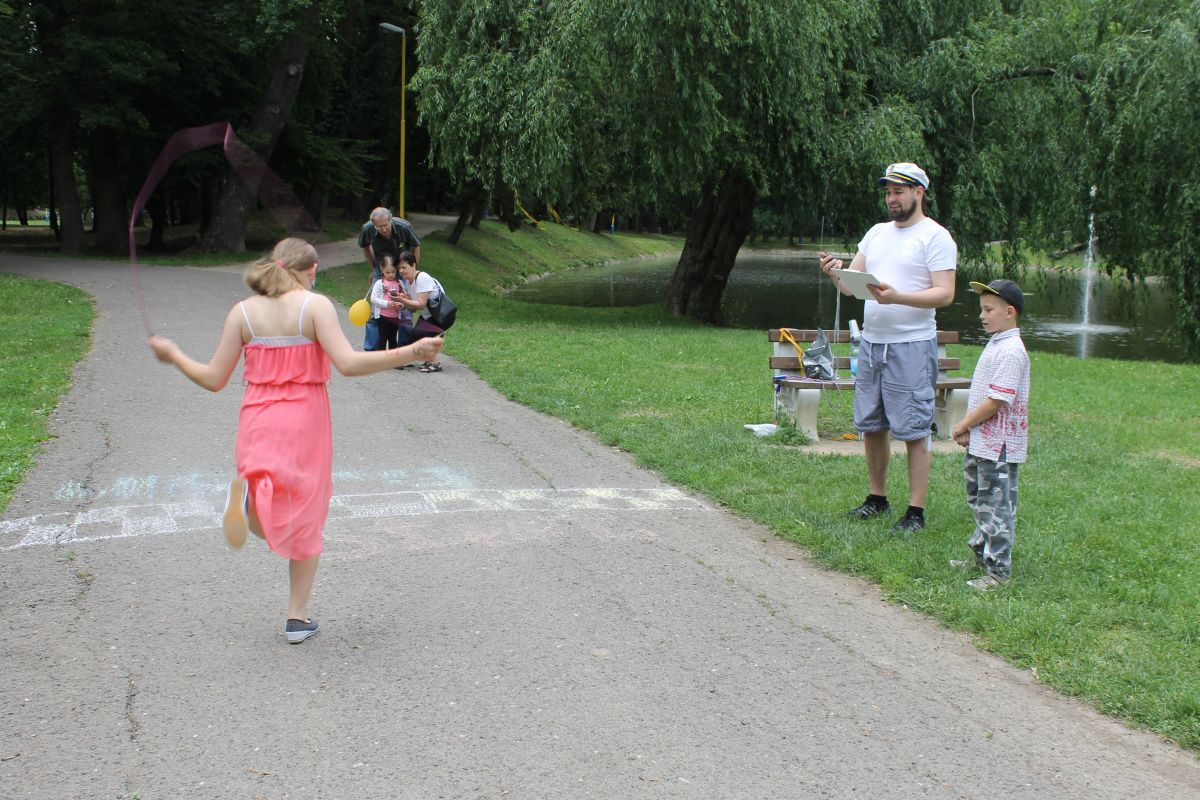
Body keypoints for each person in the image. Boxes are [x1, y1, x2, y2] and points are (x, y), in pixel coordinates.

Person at [148, 238, 443, 643]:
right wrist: (411, 351)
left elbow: (215, 379)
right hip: (304, 422)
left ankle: (249, 502)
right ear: (312, 270)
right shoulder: (314, 306)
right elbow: (348, 364)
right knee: (306, 515)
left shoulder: (242, 313)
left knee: (264, 493)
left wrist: (175, 356)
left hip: (257, 420)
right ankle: (296, 618)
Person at [817, 162, 957, 532]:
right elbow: (851, 286)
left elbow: (945, 293)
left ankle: (915, 512)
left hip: (911, 345)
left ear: (918, 193)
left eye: (899, 192)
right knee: (872, 423)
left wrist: (898, 297)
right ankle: (876, 498)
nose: (891, 199)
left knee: (913, 426)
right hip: (872, 344)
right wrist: (835, 272)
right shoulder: (876, 233)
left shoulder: (935, 236)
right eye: (888, 192)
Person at [950, 279, 1030, 590]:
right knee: (980, 501)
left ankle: (998, 572)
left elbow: (996, 400)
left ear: (1010, 312)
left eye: (989, 310)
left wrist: (964, 424)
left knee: (997, 507)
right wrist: (972, 430)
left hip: (1000, 445)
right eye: (982, 309)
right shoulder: (997, 342)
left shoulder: (1011, 351)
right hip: (984, 441)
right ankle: (980, 555)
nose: (982, 316)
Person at [395, 251, 450, 373]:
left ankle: (435, 363)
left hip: (441, 316)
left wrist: (403, 300)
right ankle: (427, 359)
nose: (401, 270)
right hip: (430, 316)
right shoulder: (408, 283)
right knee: (414, 337)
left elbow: (421, 304)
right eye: (399, 268)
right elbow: (414, 309)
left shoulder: (422, 278)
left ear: (413, 265)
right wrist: (403, 302)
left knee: (420, 335)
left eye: (404, 267)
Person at [365, 256, 414, 362]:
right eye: (388, 272)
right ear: (382, 269)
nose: (391, 275)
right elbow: (373, 299)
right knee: (382, 338)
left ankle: (393, 361)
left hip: (395, 317)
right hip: (383, 316)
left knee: (392, 338)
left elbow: (404, 300)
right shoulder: (379, 283)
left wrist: (400, 305)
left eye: (393, 272)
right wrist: (387, 304)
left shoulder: (400, 284)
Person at [358, 206, 421, 288]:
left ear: (390, 219)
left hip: (402, 265)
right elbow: (365, 247)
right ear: (373, 224)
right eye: (379, 227)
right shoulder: (367, 229)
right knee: (378, 291)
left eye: (386, 225)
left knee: (406, 292)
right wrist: (373, 269)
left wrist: (413, 269)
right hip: (381, 266)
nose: (384, 230)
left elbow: (416, 247)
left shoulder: (404, 227)